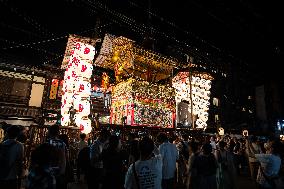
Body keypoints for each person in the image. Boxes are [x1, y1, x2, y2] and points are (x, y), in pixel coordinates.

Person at [0, 125, 24, 189]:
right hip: (12, 175)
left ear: (7, 133)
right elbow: (20, 161)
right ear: (18, 134)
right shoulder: (19, 146)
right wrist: (20, 174)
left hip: (1, 175)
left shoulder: (2, 144)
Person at [46, 124, 67, 189]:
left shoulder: (46, 142)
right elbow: (63, 158)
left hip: (47, 170)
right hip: (57, 170)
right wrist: (62, 171)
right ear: (58, 132)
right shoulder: (61, 143)